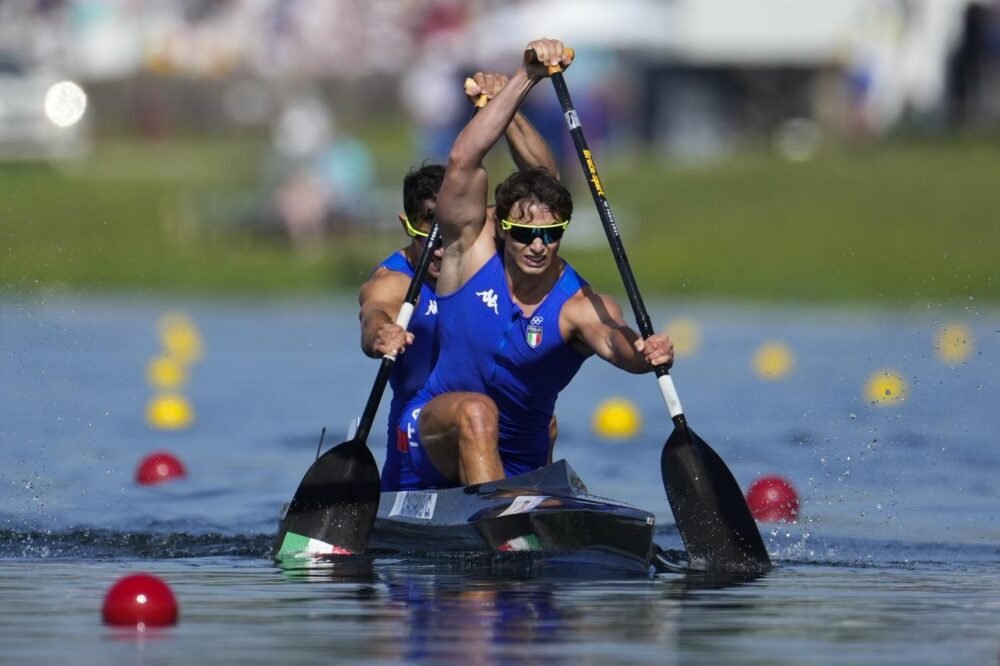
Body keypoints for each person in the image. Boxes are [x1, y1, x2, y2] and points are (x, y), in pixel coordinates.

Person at [395, 38, 674, 490]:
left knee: (538, 430)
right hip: (434, 436)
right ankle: (501, 517)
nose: (538, 245)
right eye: (524, 233)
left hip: (520, 457)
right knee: (477, 412)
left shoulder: (579, 305)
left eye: (552, 233)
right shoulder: (468, 254)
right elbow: (464, 160)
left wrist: (645, 356)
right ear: (501, 229)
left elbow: (616, 341)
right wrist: (525, 79)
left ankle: (510, 506)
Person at [359, 71, 560, 491]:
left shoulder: (477, 243)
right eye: (427, 236)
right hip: (419, 438)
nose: (440, 250)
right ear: (405, 225)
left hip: (488, 424)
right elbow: (374, 314)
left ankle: (525, 511)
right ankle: (503, 516)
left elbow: (545, 184)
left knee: (540, 417)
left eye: (446, 237)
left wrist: (506, 104)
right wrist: (382, 334)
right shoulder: (393, 281)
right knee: (476, 412)